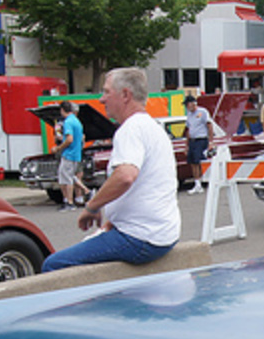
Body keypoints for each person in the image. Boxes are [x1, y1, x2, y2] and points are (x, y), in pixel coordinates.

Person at [42, 67, 180, 272]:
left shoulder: (130, 130)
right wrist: (113, 222)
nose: (101, 99)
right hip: (161, 233)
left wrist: (92, 207)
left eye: (107, 92)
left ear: (125, 95)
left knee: (53, 265)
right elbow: (148, 188)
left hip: (139, 238)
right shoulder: (152, 127)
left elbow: (125, 176)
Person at [56, 101, 88, 208]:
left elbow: (69, 139)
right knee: (69, 176)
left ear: (62, 110)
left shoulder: (68, 122)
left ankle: (69, 202)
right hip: (76, 153)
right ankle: (84, 192)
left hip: (68, 154)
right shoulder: (77, 121)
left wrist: (59, 148)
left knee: (67, 179)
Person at [183, 94, 213, 194]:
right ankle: (197, 183)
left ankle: (202, 182)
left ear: (192, 104)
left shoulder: (202, 112)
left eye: (187, 104)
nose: (187, 107)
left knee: (198, 161)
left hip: (201, 139)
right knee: (192, 162)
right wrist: (186, 144)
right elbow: (188, 129)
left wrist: (210, 142)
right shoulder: (189, 114)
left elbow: (209, 125)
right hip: (192, 140)